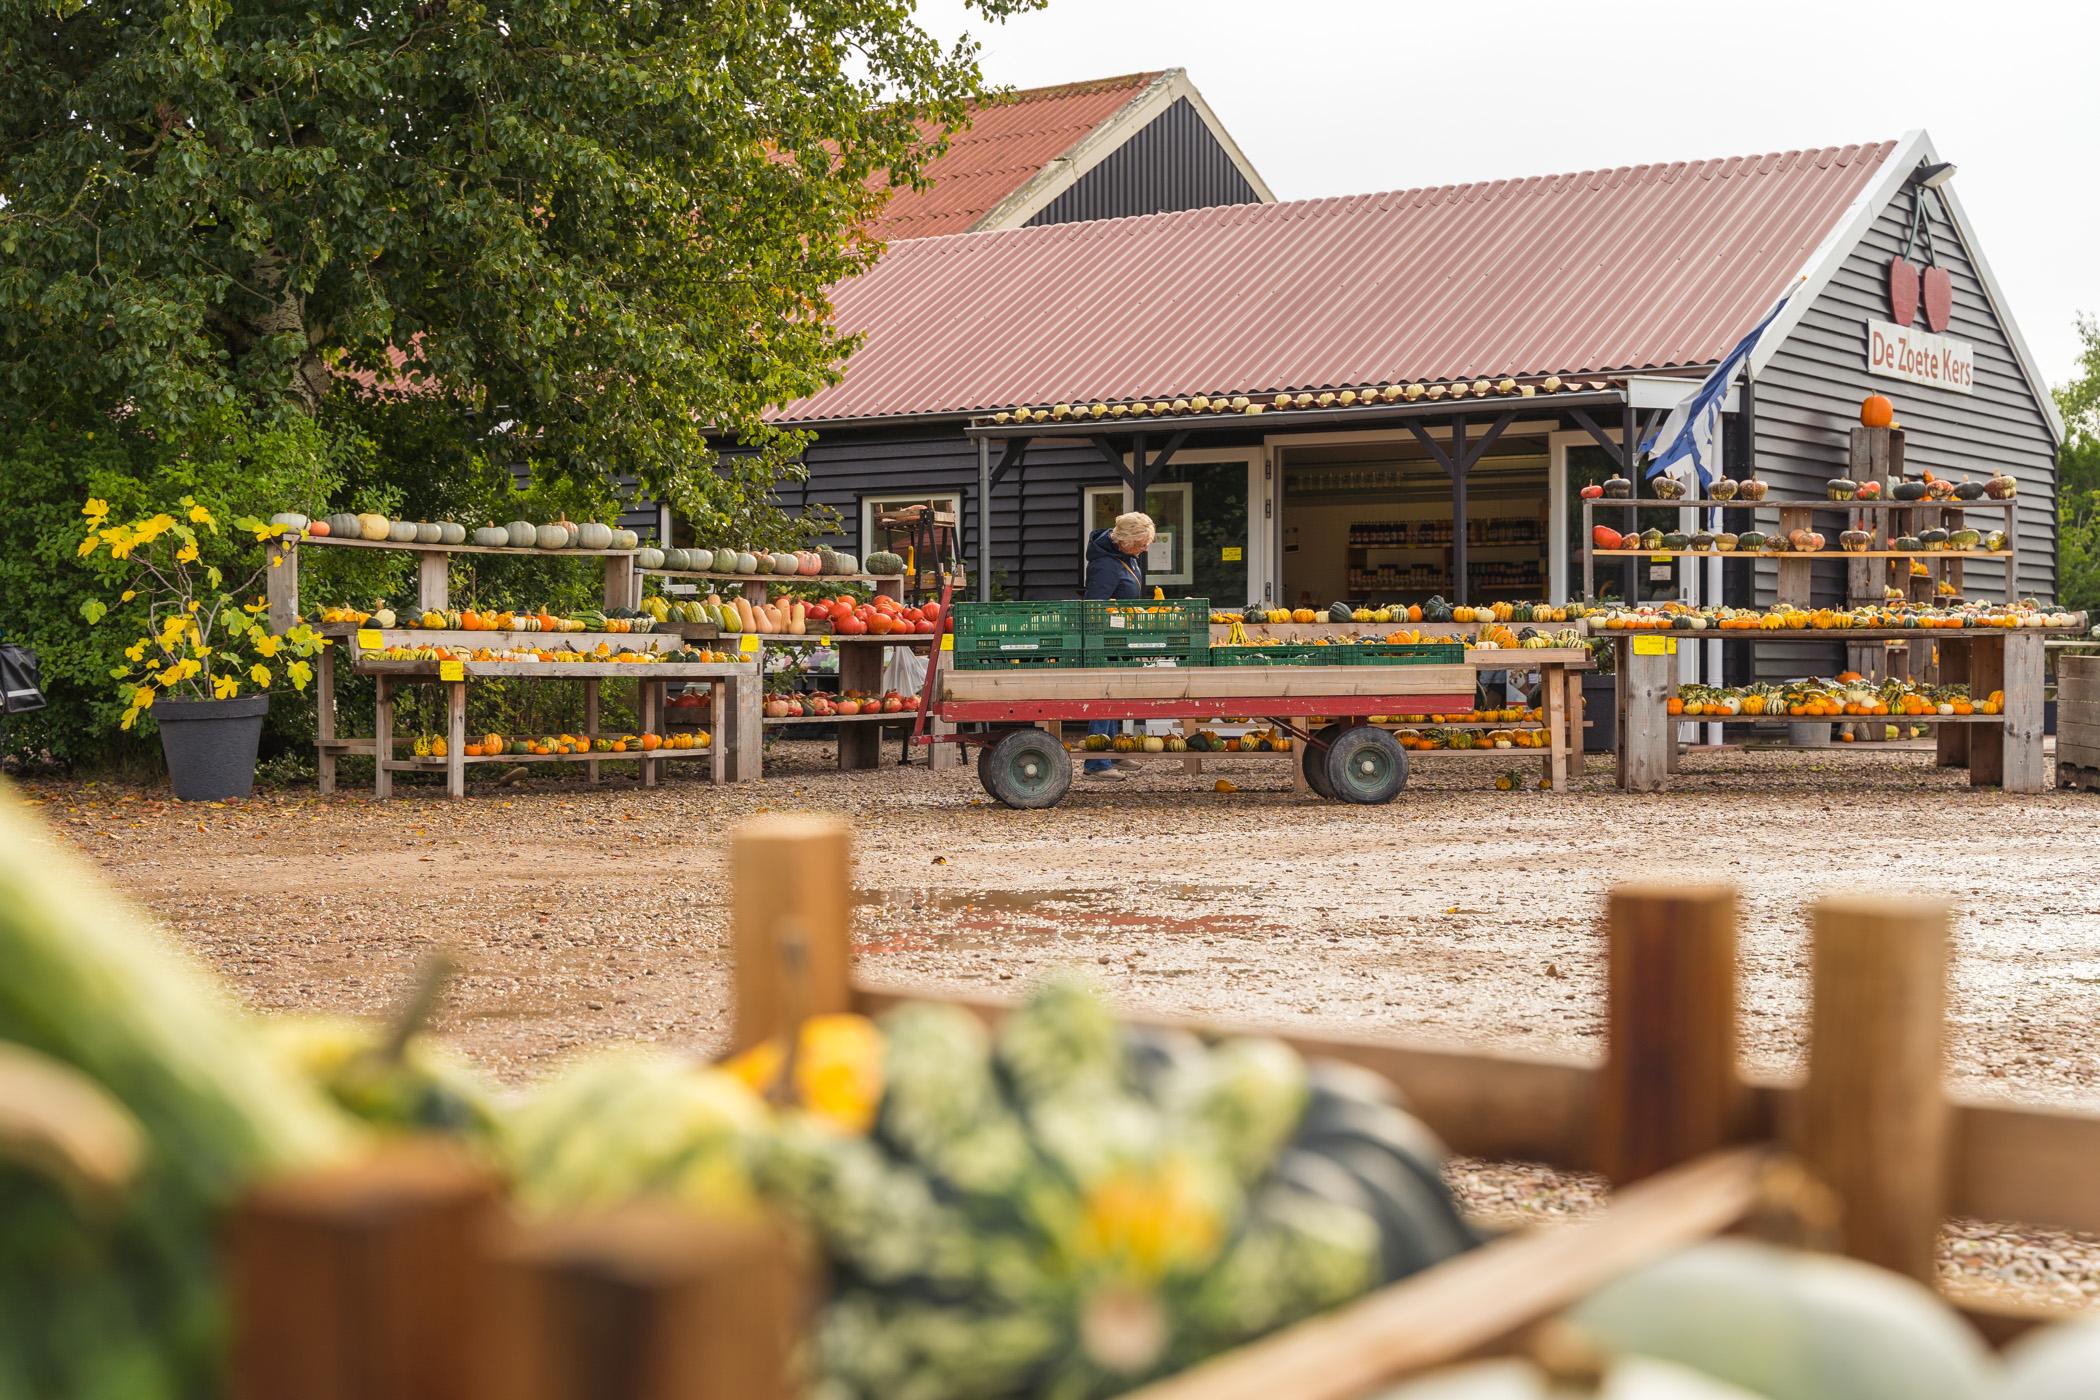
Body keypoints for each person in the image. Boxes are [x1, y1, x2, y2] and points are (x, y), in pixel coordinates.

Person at [1081, 512, 1154, 777]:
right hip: (1106, 639)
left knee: (1116, 693)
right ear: (1124, 540)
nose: (1145, 549)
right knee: (1105, 694)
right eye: (1141, 543)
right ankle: (1097, 763)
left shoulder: (1127, 557)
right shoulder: (1103, 566)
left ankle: (1113, 752)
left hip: (1121, 638)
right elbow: (1095, 608)